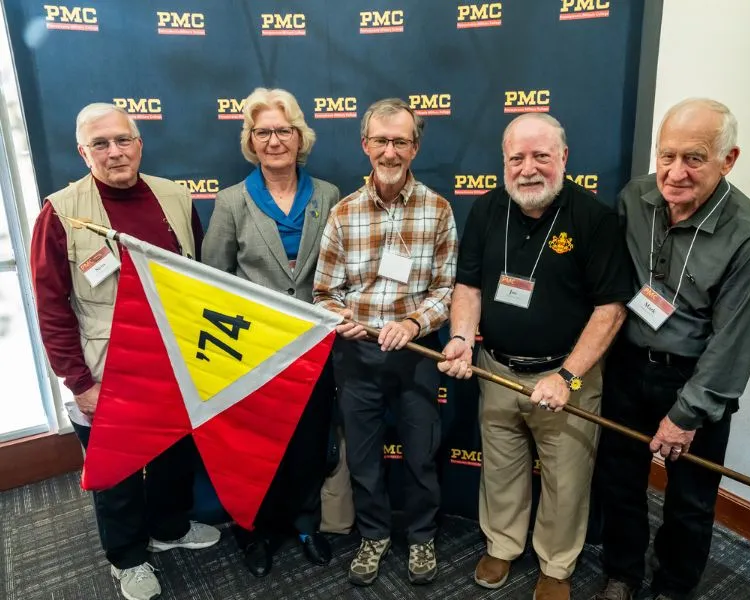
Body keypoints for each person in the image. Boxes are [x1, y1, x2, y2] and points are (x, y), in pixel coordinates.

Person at [30, 103, 220, 600]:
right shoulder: (60, 212)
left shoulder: (176, 198)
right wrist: (79, 383)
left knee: (173, 459)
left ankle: (170, 529)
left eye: (122, 140)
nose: (114, 152)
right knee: (114, 473)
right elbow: (51, 307)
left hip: (174, 364)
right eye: (100, 144)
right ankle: (127, 558)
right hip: (104, 370)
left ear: (139, 143)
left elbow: (198, 281)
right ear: (83, 152)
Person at [438, 113, 630, 600]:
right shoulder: (485, 210)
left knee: (566, 479)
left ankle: (557, 563)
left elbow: (610, 310)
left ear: (563, 159)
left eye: (541, 156)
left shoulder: (595, 220)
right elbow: (467, 285)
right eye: (516, 157)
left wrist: (567, 376)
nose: (528, 168)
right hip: (497, 370)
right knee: (501, 468)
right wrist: (461, 337)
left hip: (567, 377)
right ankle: (501, 545)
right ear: (504, 162)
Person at [593, 99, 750, 600]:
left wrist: (687, 414)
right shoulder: (634, 198)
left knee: (690, 501)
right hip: (629, 368)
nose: (674, 173)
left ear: (729, 159)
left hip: (697, 380)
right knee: (621, 480)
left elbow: (735, 340)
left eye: (694, 158)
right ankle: (623, 573)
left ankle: (674, 587)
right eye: (666, 155)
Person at [313, 98, 458, 587]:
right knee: (364, 456)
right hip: (356, 354)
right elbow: (324, 293)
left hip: (417, 353)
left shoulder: (438, 209)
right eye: (381, 140)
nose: (390, 152)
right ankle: (374, 535)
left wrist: (416, 324)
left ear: (415, 147)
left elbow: (445, 290)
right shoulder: (343, 213)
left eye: (400, 141)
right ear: (365, 145)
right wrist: (341, 318)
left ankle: (421, 537)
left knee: (420, 453)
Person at [202, 87, 340, 577]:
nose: (274, 140)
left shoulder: (327, 196)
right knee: (254, 447)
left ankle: (305, 523)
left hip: (313, 350)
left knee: (307, 442)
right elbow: (213, 280)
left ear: (300, 136)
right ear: (250, 140)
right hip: (252, 353)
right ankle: (254, 532)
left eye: (284, 130)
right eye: (263, 131)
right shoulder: (231, 202)